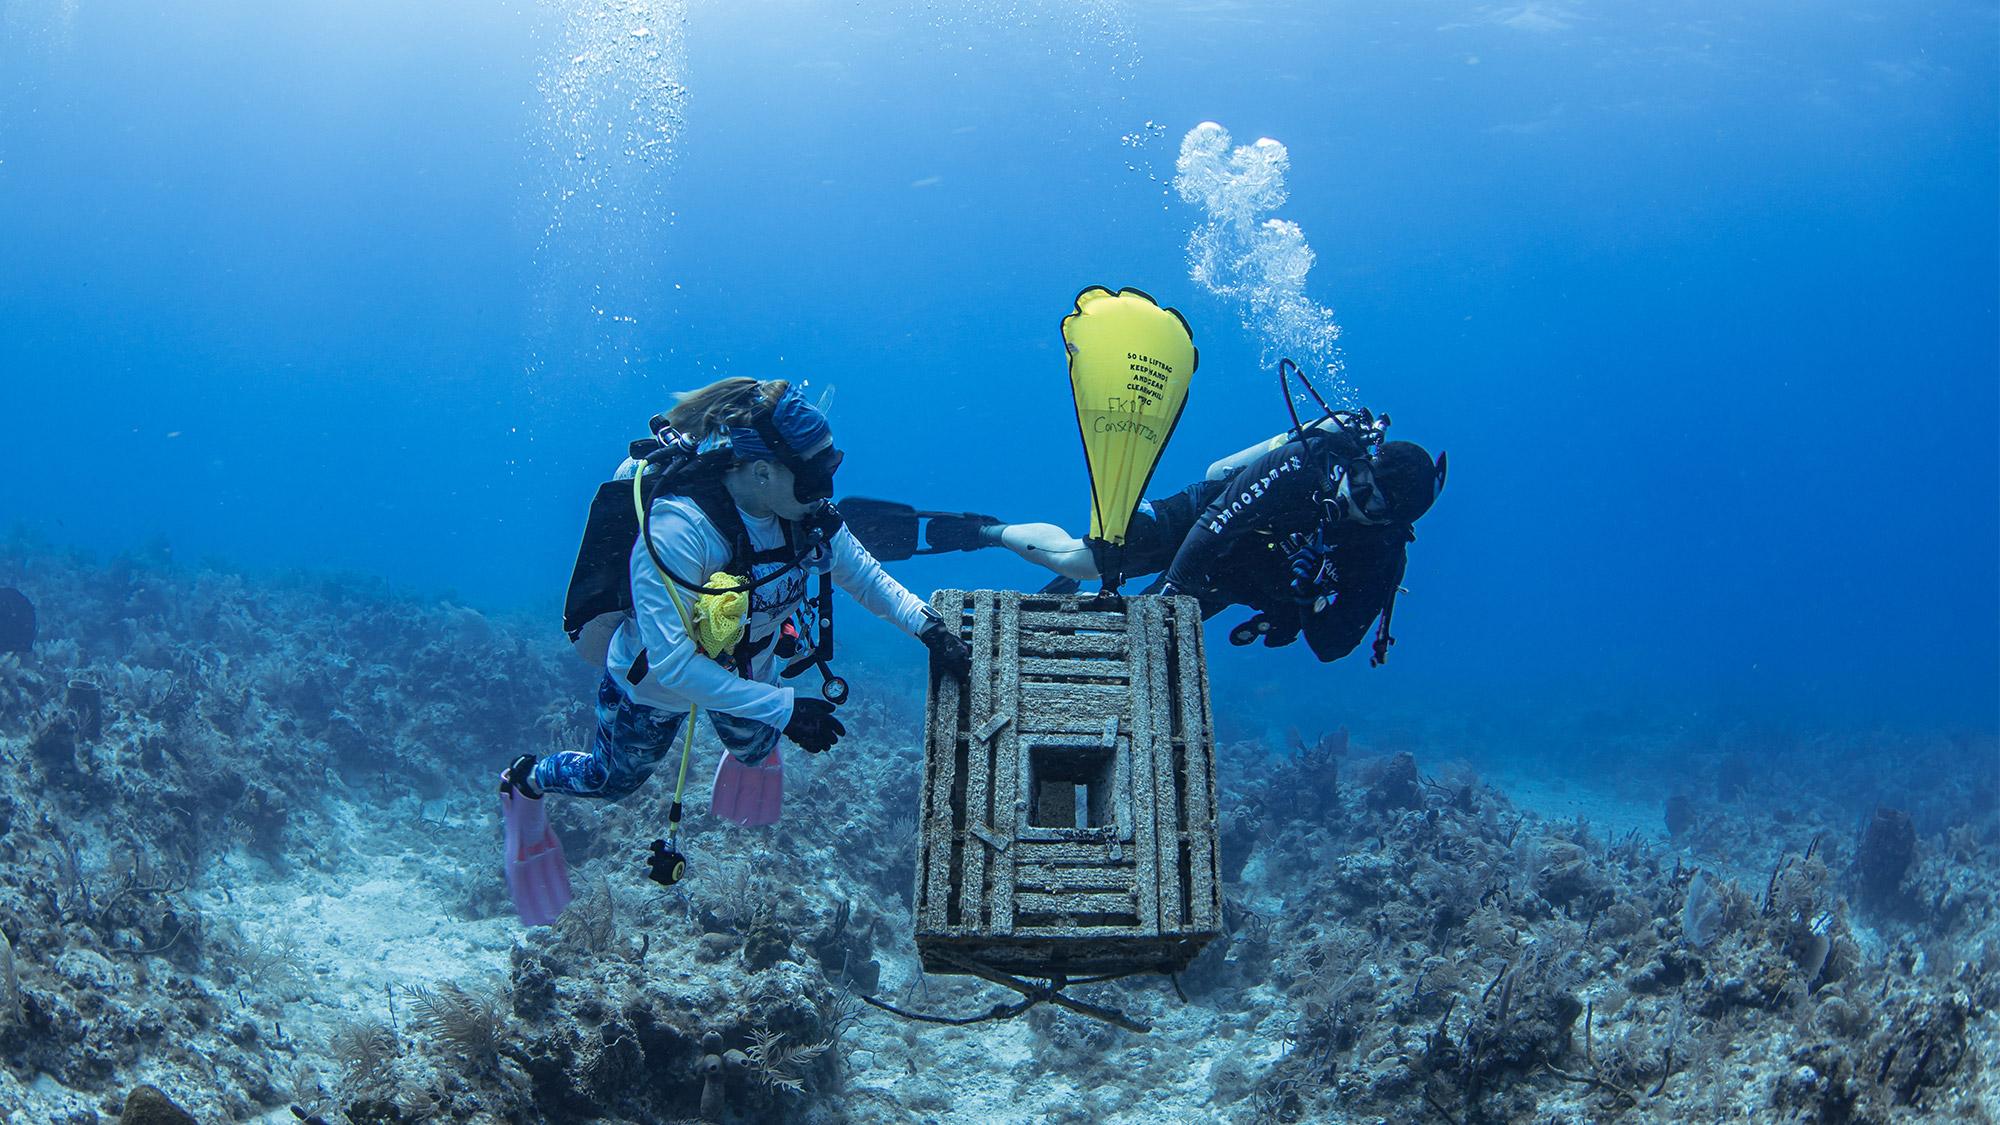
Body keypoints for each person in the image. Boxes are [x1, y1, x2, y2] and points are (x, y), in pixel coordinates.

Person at [514, 377, 972, 805]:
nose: (826, 491)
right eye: (813, 477)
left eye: (830, 467)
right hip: (656, 686)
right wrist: (784, 710)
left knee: (755, 749)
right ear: (762, 472)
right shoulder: (679, 531)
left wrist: (930, 630)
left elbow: (867, 579)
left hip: (750, 665)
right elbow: (673, 665)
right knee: (610, 782)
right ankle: (528, 776)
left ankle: (766, 670)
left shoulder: (805, 515)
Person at [846, 409, 1444, 665]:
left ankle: (1103, 601)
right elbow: (1217, 522)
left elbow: (1332, 645)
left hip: (1237, 579)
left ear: (1393, 522)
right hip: (1203, 516)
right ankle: (985, 530)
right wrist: (1169, 592)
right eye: (1359, 483)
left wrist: (1306, 602)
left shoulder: (1380, 556)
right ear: (1357, 463)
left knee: (1132, 637)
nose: (1354, 502)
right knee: (1082, 561)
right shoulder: (1309, 463)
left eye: (1373, 506)